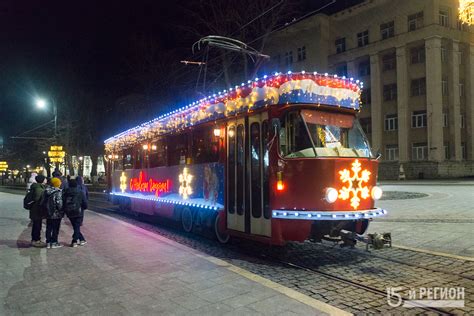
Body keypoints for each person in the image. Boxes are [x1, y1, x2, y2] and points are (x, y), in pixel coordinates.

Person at [63, 179, 87, 247]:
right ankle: (74, 241)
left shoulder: (66, 192)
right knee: (76, 226)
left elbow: (64, 201)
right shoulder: (80, 192)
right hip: (78, 211)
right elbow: (84, 202)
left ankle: (82, 239)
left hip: (69, 211)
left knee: (75, 226)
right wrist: (84, 208)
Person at [43, 177, 64, 249]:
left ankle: (48, 242)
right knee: (55, 228)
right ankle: (54, 242)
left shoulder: (46, 191)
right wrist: (62, 211)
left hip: (48, 212)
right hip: (56, 214)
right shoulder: (58, 192)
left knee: (49, 227)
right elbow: (59, 204)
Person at [29, 175, 47, 247]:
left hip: (35, 210)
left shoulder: (36, 187)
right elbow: (38, 199)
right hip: (37, 210)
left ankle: (36, 240)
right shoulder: (39, 189)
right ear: (42, 180)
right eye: (45, 179)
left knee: (37, 225)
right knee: (37, 226)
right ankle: (36, 240)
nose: (46, 180)